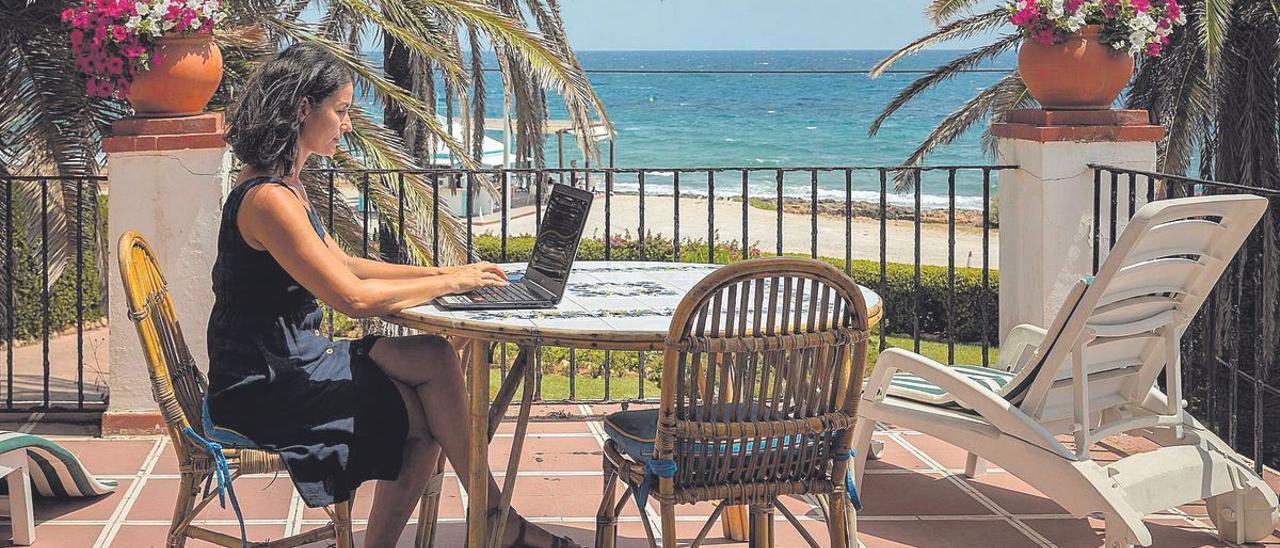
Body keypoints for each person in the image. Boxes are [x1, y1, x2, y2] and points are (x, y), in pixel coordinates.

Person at [211, 42, 581, 548]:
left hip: (295, 360)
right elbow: (351, 299)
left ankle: (495, 519)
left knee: (431, 355)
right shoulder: (268, 200)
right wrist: (451, 284)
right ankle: (498, 521)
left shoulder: (284, 185)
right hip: (266, 382)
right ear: (303, 109)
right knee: (422, 418)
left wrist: (449, 270)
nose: (347, 124)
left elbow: (343, 264)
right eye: (340, 111)